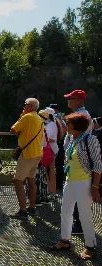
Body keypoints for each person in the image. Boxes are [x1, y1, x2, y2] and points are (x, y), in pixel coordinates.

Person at [49, 113, 102, 261]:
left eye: (69, 124)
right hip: (70, 180)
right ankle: (64, 240)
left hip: (84, 181)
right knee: (65, 211)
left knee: (84, 214)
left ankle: (90, 247)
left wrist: (95, 185)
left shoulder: (90, 139)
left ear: (76, 126)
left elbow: (98, 165)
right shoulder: (72, 139)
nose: (66, 126)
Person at [64, 89, 92, 235]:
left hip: (79, 161)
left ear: (77, 100)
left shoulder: (82, 116)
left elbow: (82, 139)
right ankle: (77, 222)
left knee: (79, 192)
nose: (68, 101)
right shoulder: (82, 114)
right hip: (75, 159)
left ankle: (79, 224)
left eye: (70, 98)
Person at [10, 98, 43, 220]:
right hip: (37, 153)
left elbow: (13, 130)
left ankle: (23, 211)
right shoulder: (39, 118)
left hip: (28, 154)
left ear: (29, 106)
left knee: (18, 180)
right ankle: (31, 208)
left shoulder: (27, 117)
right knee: (31, 180)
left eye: (25, 105)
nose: (24, 107)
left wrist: (21, 116)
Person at [44, 107, 64, 201]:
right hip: (52, 149)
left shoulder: (51, 124)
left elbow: (51, 138)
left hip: (50, 150)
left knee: (49, 171)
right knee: (50, 171)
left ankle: (50, 192)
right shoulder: (52, 123)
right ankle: (51, 192)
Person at [49, 103, 66, 191]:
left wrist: (58, 138)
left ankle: (56, 186)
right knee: (59, 165)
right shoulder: (61, 117)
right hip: (60, 143)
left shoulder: (56, 117)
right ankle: (58, 185)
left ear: (54, 109)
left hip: (57, 143)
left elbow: (63, 128)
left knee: (55, 164)